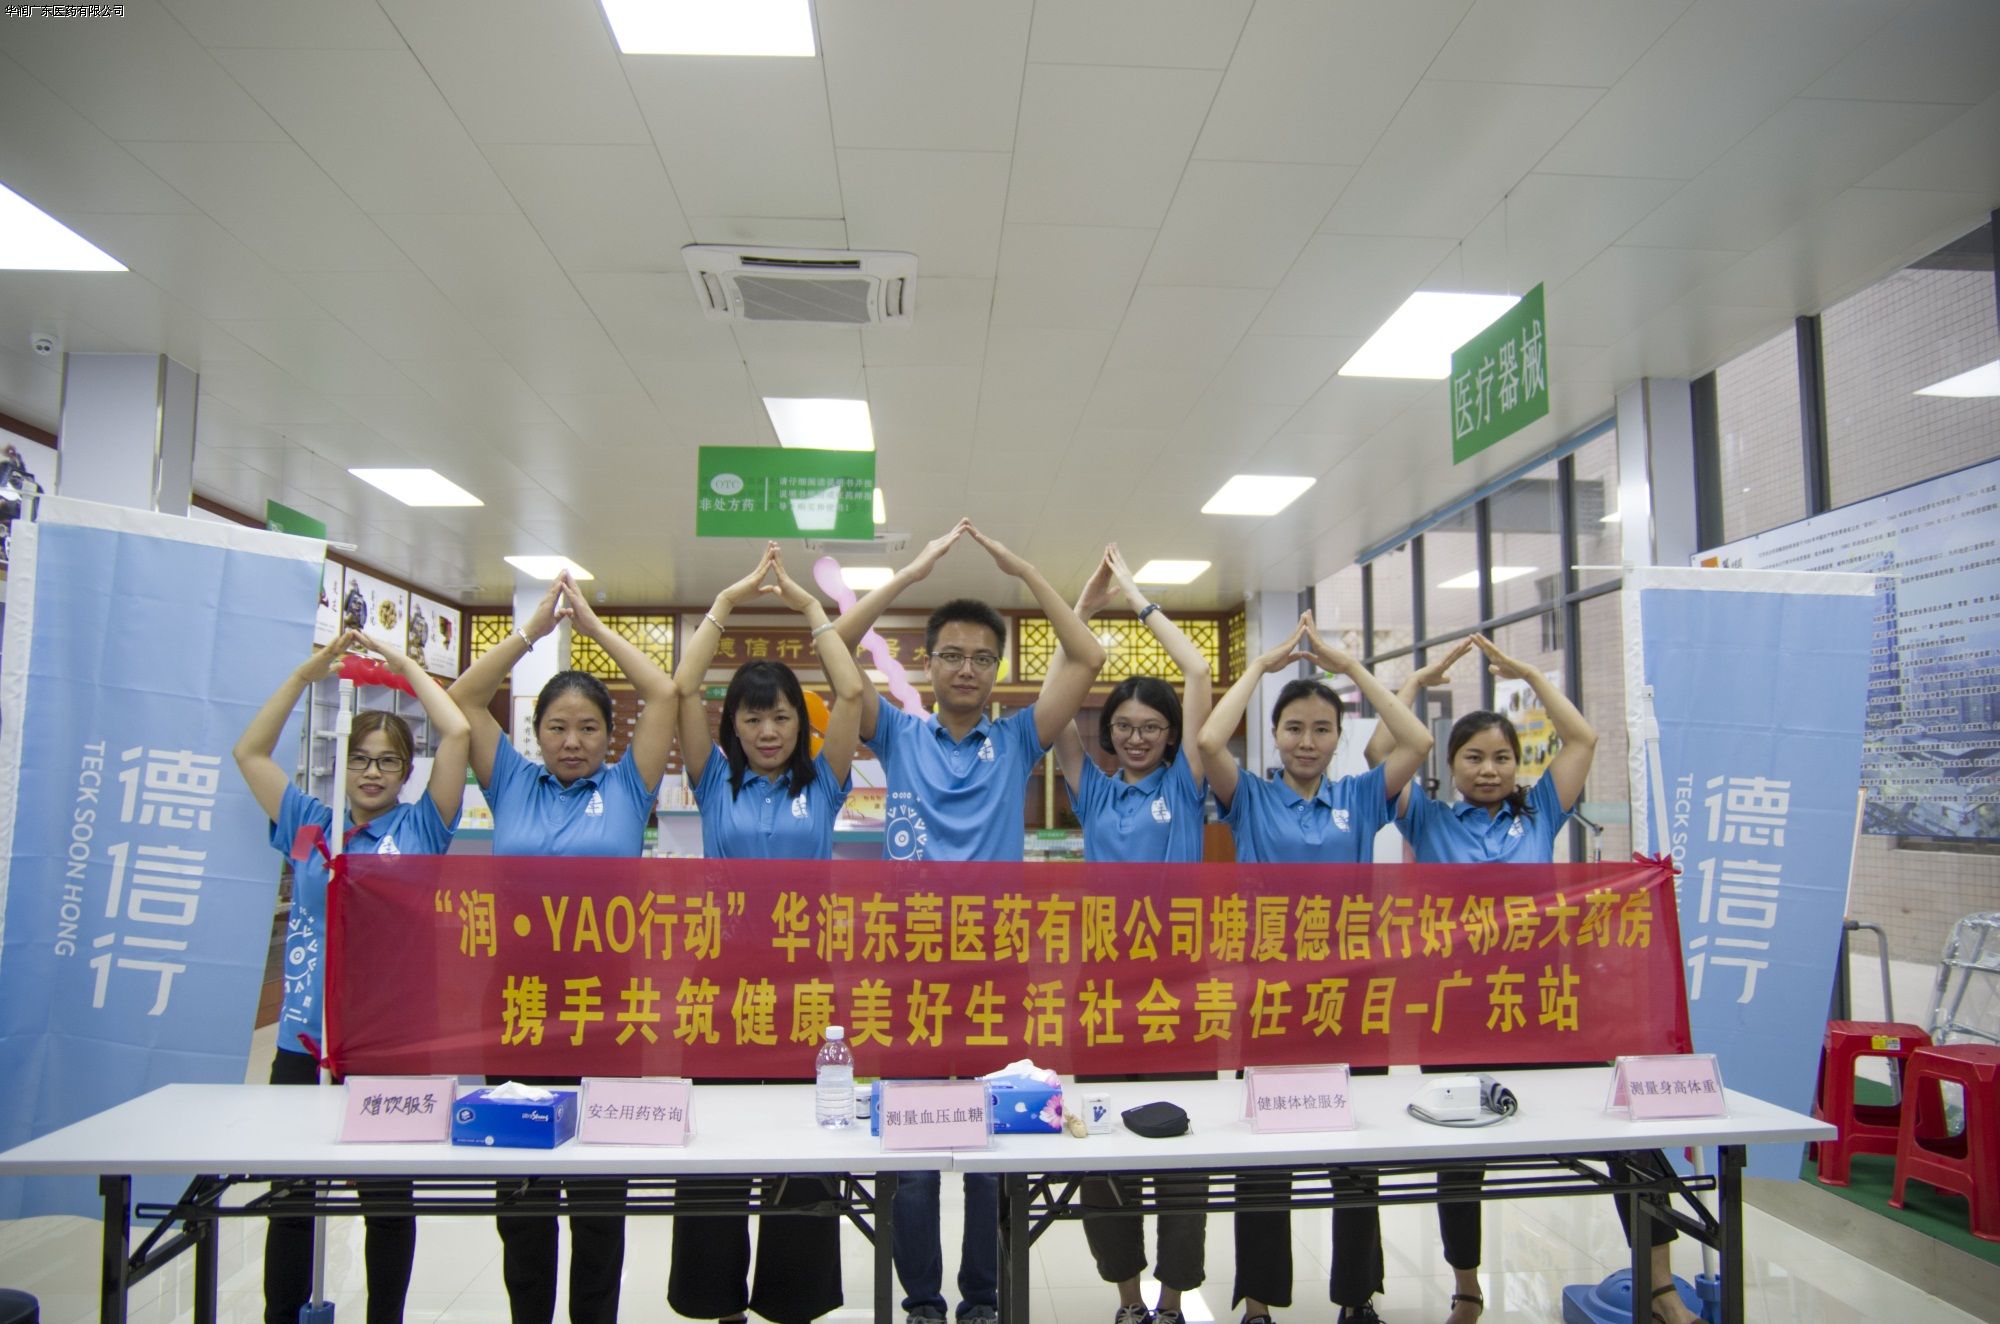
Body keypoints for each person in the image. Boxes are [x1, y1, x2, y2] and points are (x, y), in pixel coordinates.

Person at [1364, 635, 1691, 1324]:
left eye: (1501, 758)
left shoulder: (1541, 811)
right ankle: (1467, 1288)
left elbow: (1583, 738)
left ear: (1518, 764)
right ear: (1450, 765)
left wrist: (1531, 675)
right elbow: (1376, 755)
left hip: (1546, 1007)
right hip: (1456, 1012)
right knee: (1460, 1157)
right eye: (1473, 757)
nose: (1489, 770)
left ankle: (1660, 1286)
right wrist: (1415, 681)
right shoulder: (1426, 817)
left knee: (1626, 1130)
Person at [834, 518, 1106, 1324]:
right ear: (926, 663)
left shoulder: (1020, 738)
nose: (965, 668)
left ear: (997, 670)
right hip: (908, 969)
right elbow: (836, 648)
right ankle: (922, 1301)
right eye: (950, 654)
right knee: (915, 1144)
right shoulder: (898, 734)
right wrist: (909, 575)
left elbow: (1086, 658)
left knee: (994, 1139)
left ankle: (982, 1298)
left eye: (982, 657)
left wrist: (1024, 570)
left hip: (996, 969)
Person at [447, 572, 678, 1324]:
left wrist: (595, 625)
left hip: (607, 1010)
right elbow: (462, 700)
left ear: (610, 736)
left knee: (599, 1192)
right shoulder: (511, 783)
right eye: (556, 728)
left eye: (587, 729)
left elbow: (663, 694)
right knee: (521, 1189)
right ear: (535, 734)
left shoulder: (630, 788)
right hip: (514, 1007)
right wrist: (533, 632)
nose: (572, 742)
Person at [1194, 613, 1431, 1324]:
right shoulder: (1250, 797)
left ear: (1338, 738)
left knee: (1355, 1154)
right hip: (1270, 1000)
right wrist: (1259, 668)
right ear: (1275, 736)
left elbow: (1417, 741)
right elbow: (1208, 741)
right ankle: (1258, 1302)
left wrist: (1349, 669)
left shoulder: (1360, 796)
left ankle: (1357, 1298)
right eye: (1293, 728)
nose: (1306, 741)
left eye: (1322, 729)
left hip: (1353, 999)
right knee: (1264, 1153)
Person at [233, 629, 469, 1324]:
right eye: (361, 759)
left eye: (388, 761)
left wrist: (404, 667)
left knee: (386, 1203)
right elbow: (249, 753)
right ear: (343, 762)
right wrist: (305, 675)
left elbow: (457, 732)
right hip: (304, 1042)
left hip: (387, 1047)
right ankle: (282, 1314)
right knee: (292, 1198)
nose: (372, 773)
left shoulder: (422, 829)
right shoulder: (310, 824)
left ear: (405, 772)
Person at [664, 543, 865, 1324]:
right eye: (753, 716)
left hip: (806, 986)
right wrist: (728, 601)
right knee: (715, 1142)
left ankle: (793, 1301)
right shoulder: (714, 779)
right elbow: (682, 687)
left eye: (781, 715)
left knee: (802, 1140)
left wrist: (810, 607)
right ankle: (718, 1303)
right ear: (734, 726)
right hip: (720, 983)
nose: (769, 729)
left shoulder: (824, 781)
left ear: (800, 721)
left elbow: (851, 691)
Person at [1051, 545, 1212, 1324]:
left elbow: (1200, 673)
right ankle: (1126, 1298)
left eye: (1152, 727)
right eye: (1125, 727)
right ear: (1109, 733)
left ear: (1172, 734)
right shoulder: (1093, 790)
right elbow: (1057, 703)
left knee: (1183, 1146)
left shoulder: (1187, 784)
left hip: (1181, 984)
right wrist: (1082, 607)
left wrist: (1140, 598)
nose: (1139, 737)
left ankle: (1174, 1300)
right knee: (1105, 1141)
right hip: (1104, 988)